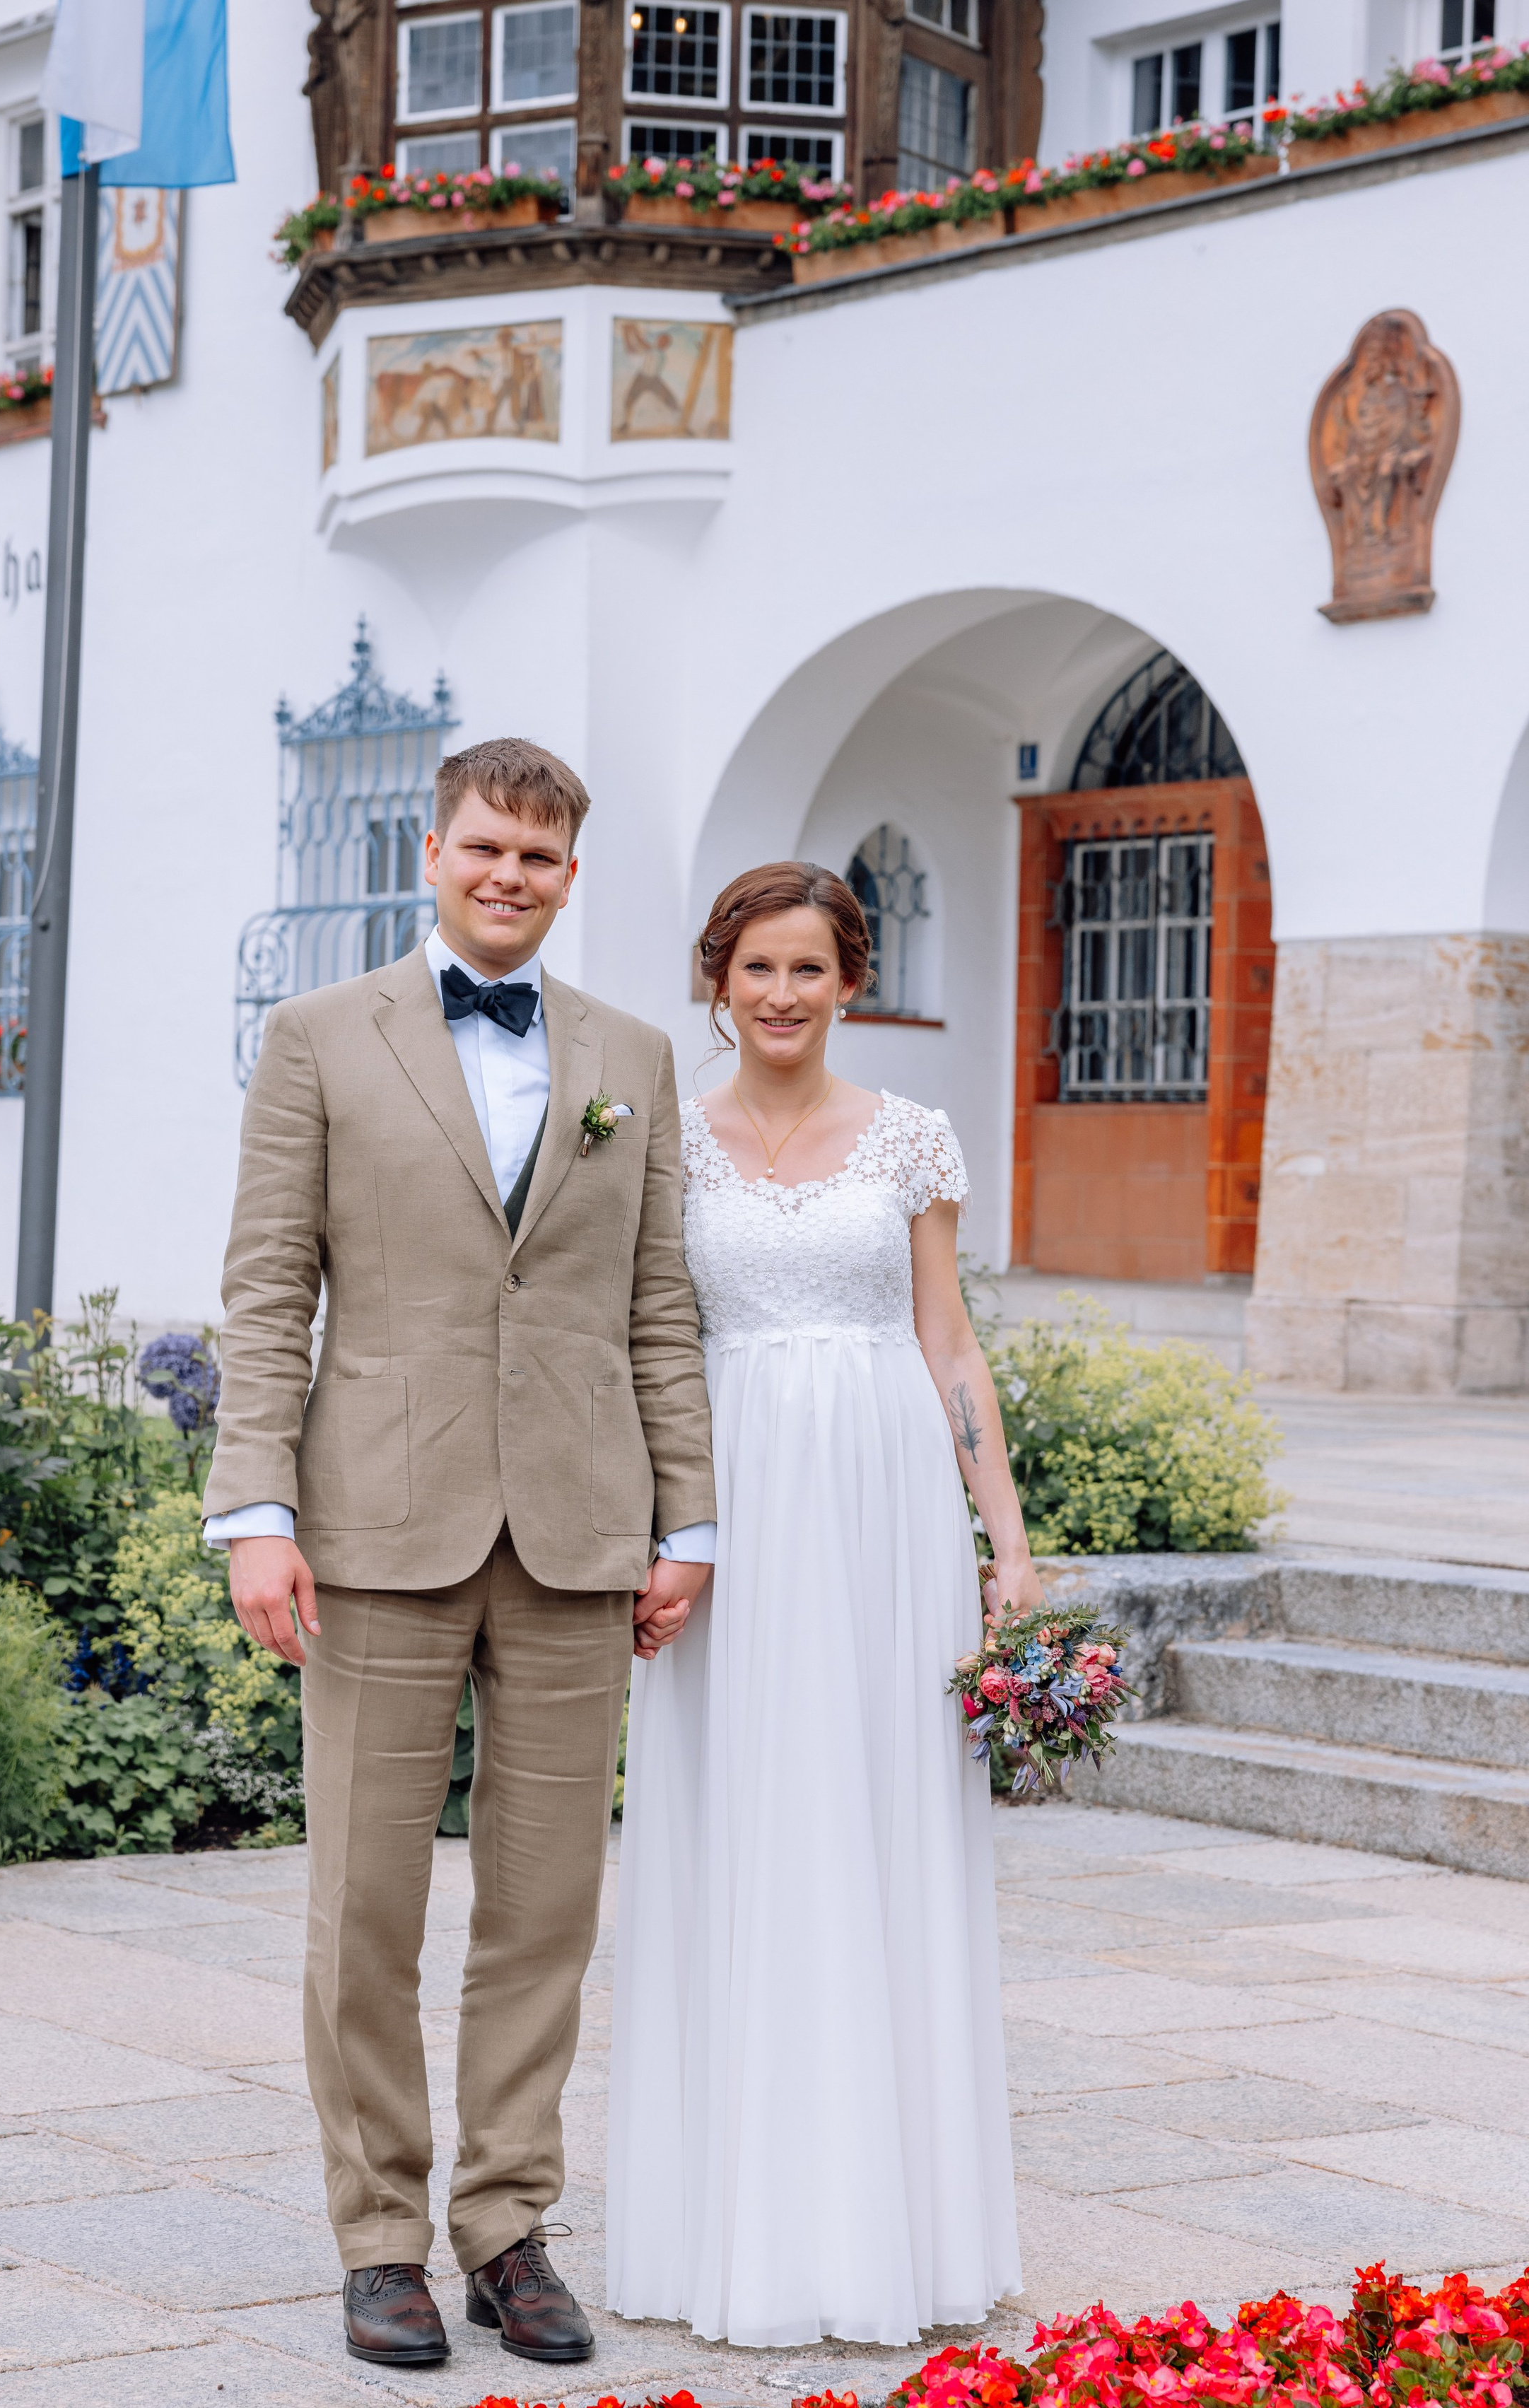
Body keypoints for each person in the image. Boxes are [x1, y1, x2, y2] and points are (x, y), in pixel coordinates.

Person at [204, 739, 717, 2373]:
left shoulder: (628, 1051)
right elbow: (268, 1288)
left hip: (578, 1529)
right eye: (483, 847)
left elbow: (655, 1304)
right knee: (364, 1899)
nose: (507, 875)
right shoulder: (316, 1038)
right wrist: (257, 1513)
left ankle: (505, 2222)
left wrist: (685, 1516)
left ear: (573, 875)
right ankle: (377, 2235)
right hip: (374, 1522)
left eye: (539, 857)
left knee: (545, 1906)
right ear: (431, 851)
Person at [607, 860, 1041, 2347]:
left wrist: (1006, 1544)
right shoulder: (661, 1142)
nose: (780, 994)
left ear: (850, 980)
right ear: (713, 979)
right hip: (726, 1503)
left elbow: (951, 1346)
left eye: (809, 968)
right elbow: (632, 1340)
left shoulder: (909, 1138)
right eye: (755, 967)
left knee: (877, 1823)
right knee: (736, 1819)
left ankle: (890, 2223)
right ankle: (728, 2215)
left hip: (880, 1502)